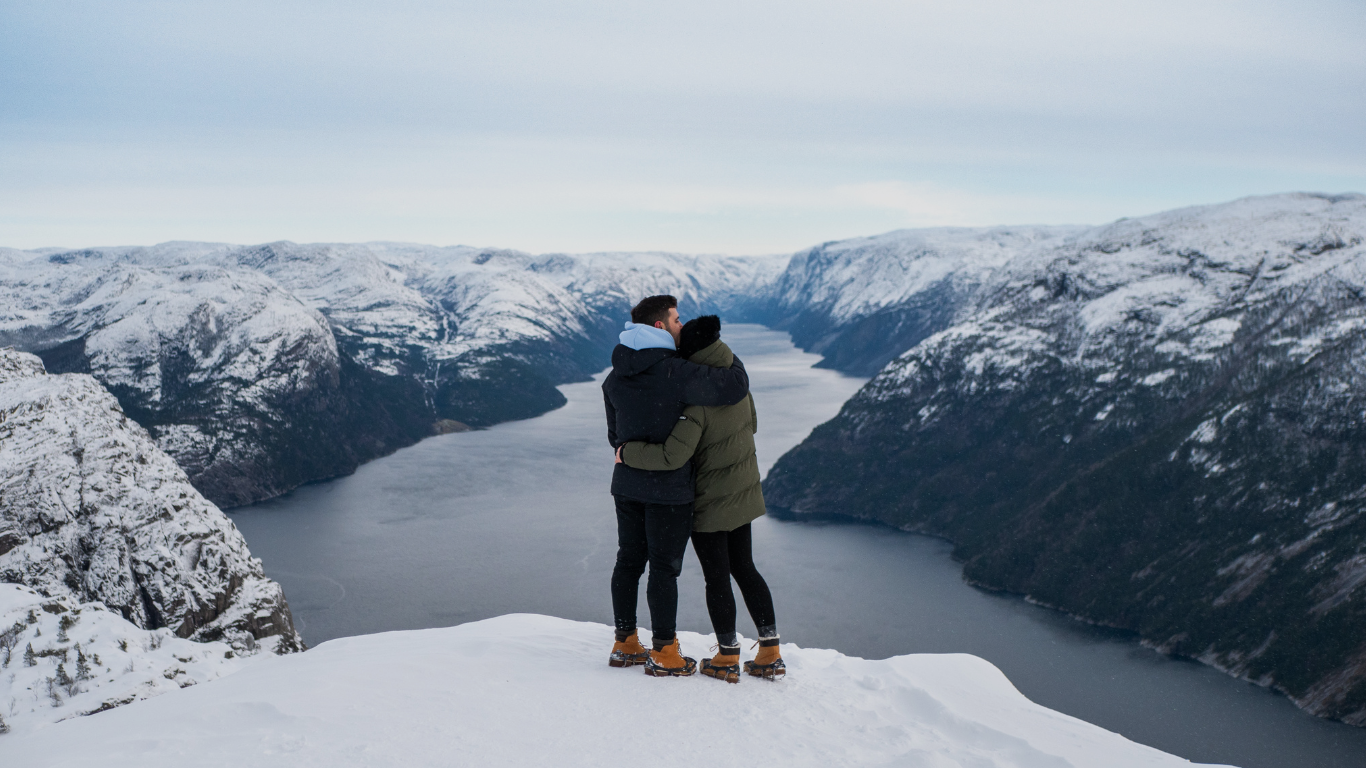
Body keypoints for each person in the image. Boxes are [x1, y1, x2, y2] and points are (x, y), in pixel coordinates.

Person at [615, 315, 783, 683]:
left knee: (717, 577)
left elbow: (672, 456)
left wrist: (627, 453)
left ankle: (727, 657)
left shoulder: (696, 403)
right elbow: (751, 425)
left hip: (710, 501)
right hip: (743, 493)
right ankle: (770, 652)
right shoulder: (738, 387)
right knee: (746, 568)